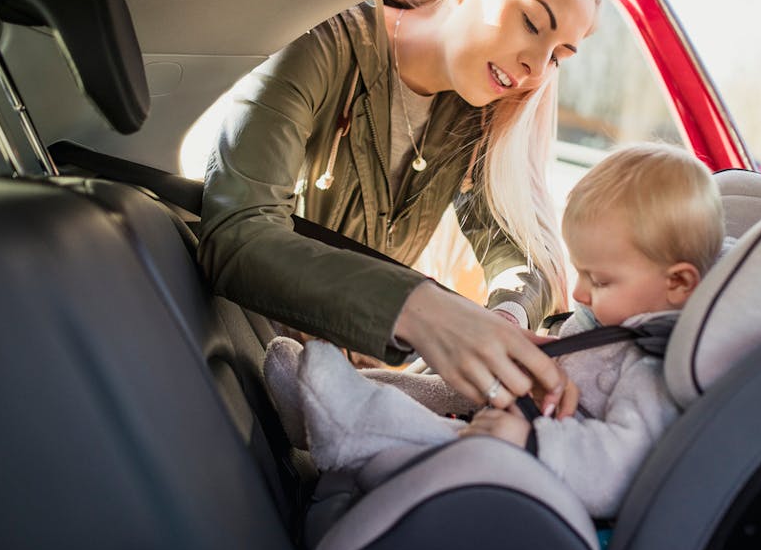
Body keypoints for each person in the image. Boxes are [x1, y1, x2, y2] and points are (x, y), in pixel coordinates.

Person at [199, 0, 602, 416]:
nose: (536, 66)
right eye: (531, 23)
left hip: (345, 387)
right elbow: (236, 234)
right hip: (250, 361)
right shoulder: (323, 43)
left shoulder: (478, 110)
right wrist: (419, 309)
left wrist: (504, 319)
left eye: (558, 56)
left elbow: (516, 253)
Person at [265, 144, 726, 517]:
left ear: (678, 283)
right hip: (522, 410)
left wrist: (529, 441)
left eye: (600, 280)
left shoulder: (655, 368)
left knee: (440, 433)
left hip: (525, 470)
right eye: (580, 273)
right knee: (445, 387)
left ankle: (344, 419)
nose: (580, 293)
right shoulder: (621, 320)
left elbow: (619, 470)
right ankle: (322, 397)